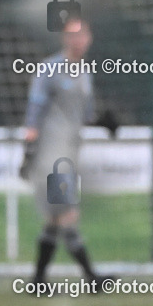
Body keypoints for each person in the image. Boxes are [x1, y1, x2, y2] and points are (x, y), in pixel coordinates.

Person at [20, 18, 116, 287]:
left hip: (69, 152)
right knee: (68, 214)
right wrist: (29, 151)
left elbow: (83, 115)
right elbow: (34, 112)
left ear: (89, 38)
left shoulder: (85, 73)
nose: (77, 40)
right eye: (72, 35)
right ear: (64, 39)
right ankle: (92, 278)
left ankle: (38, 280)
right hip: (51, 155)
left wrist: (102, 122)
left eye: (82, 35)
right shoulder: (49, 70)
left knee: (53, 219)